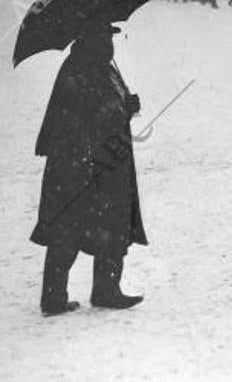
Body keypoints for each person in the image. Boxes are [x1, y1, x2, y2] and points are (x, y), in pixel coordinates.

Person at [31, 22, 147, 315]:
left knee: (112, 223)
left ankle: (106, 290)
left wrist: (127, 105)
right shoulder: (78, 69)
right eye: (105, 36)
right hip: (80, 164)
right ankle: (54, 298)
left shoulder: (102, 66)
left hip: (105, 160)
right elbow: (81, 115)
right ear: (90, 38)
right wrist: (121, 108)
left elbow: (109, 106)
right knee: (68, 228)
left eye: (111, 36)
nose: (110, 42)